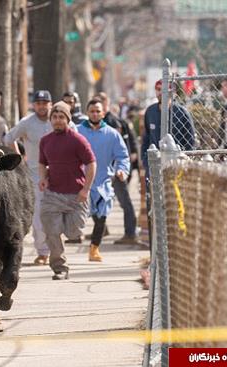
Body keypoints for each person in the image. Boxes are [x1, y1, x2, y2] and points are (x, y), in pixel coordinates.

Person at [39, 101, 96, 279]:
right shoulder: (45, 140)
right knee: (51, 232)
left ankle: (62, 225)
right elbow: (42, 163)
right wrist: (43, 179)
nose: (57, 121)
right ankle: (60, 268)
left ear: (68, 119)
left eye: (61, 117)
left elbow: (91, 163)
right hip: (53, 194)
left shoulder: (77, 140)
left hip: (76, 195)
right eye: (54, 117)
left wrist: (86, 189)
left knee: (74, 232)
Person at [76, 99, 130, 262]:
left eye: (98, 111)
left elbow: (122, 156)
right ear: (87, 113)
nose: (95, 114)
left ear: (103, 113)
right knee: (77, 220)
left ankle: (94, 248)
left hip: (103, 183)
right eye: (92, 111)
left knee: (101, 217)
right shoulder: (77, 132)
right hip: (81, 182)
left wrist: (122, 170)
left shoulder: (112, 134)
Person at [4, 90, 53, 265]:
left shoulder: (59, 119)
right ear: (34, 105)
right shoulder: (27, 123)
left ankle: (56, 248)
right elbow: (8, 138)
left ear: (50, 104)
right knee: (39, 213)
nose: (41, 106)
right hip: (34, 173)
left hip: (59, 173)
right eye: (38, 103)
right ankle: (43, 251)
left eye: (44, 103)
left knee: (59, 211)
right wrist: (20, 160)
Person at [94, 92, 139, 244]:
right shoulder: (92, 124)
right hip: (100, 171)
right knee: (97, 201)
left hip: (115, 171)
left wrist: (122, 168)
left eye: (101, 103)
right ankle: (101, 229)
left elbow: (123, 147)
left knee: (124, 201)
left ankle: (130, 233)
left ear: (106, 105)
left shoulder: (114, 123)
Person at [141, 79, 195, 175]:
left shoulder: (182, 113)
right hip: (155, 165)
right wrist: (145, 161)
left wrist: (182, 161)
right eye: (158, 89)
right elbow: (146, 138)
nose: (161, 92)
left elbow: (190, 141)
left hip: (176, 165)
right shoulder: (150, 111)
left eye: (164, 89)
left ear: (172, 92)